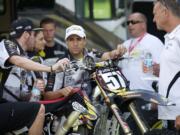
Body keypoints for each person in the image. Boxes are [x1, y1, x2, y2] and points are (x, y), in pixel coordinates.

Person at [0, 18, 69, 134]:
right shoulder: (6, 44)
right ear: (26, 35)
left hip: (5, 104)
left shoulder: (24, 57)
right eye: (34, 35)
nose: (45, 41)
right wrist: (51, 68)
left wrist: (36, 90)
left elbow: (24, 95)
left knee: (35, 110)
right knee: (38, 110)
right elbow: (17, 60)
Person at [46, 24, 125, 99]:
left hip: (93, 102)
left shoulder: (92, 54)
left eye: (78, 39)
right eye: (71, 40)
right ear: (66, 42)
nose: (75, 43)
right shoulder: (61, 63)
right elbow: (47, 95)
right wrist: (61, 92)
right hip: (71, 106)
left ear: (84, 41)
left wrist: (117, 52)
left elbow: (108, 55)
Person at [118, 12, 164, 91]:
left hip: (147, 95)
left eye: (133, 22)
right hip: (128, 96)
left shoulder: (154, 42)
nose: (130, 25)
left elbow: (163, 70)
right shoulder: (125, 44)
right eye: (128, 23)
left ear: (143, 24)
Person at [153, 0, 180, 131]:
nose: (153, 19)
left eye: (155, 14)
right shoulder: (171, 37)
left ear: (165, 12)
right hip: (169, 114)